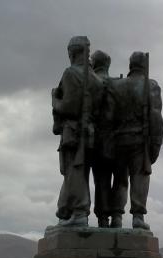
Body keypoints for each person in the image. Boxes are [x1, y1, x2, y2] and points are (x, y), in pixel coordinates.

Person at [52, 36, 104, 226]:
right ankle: (66, 211)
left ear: (72, 52)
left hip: (74, 132)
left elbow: (69, 107)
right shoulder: (97, 78)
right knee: (79, 172)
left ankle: (80, 212)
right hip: (92, 132)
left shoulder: (70, 74)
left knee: (74, 171)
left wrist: (54, 101)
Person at [112, 51, 163, 230]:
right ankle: (138, 217)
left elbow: (108, 115)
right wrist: (156, 145)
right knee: (139, 178)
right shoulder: (151, 86)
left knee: (119, 179)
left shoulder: (116, 86)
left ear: (130, 65)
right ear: (145, 66)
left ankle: (116, 217)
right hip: (140, 141)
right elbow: (156, 117)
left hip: (118, 139)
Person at [89, 49, 122, 228]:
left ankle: (103, 219)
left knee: (101, 180)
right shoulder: (121, 84)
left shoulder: (92, 83)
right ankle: (117, 217)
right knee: (120, 179)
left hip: (98, 140)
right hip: (120, 140)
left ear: (94, 64)